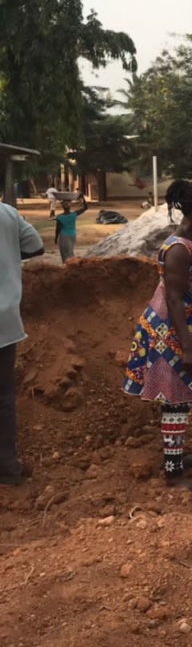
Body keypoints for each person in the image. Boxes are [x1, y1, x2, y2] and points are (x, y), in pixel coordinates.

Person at [123, 181, 192, 488]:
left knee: (181, 400)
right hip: (170, 334)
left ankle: (175, 457)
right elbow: (173, 299)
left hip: (187, 331)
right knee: (176, 400)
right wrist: (187, 348)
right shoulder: (178, 249)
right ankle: (174, 475)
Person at [1, 203, 45, 486]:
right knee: (3, 398)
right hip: (4, 321)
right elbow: (37, 247)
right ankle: (6, 469)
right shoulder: (7, 213)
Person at [54, 195, 88, 264]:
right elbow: (86, 207)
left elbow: (58, 229)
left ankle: (68, 267)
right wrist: (82, 197)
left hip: (64, 236)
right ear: (70, 206)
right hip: (72, 235)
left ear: (62, 207)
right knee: (70, 251)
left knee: (65, 254)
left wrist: (56, 238)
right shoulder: (74, 214)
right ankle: (72, 266)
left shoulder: (60, 217)